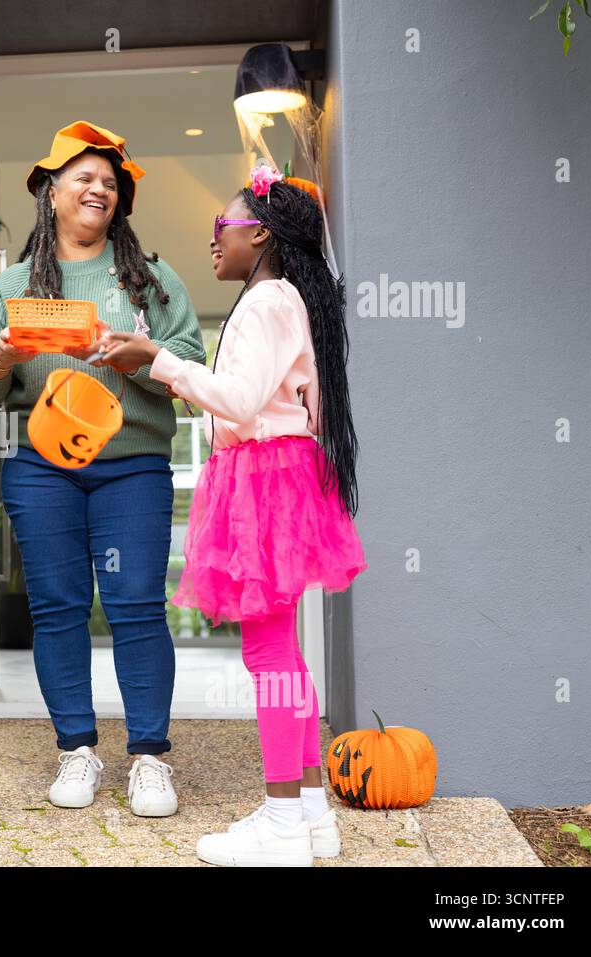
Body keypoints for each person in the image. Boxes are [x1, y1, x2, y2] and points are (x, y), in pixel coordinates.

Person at [97, 165, 367, 865]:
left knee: (270, 654)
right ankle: (309, 813)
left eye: (222, 228)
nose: (212, 241)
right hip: (280, 477)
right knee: (285, 655)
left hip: (266, 484)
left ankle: (282, 820)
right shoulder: (281, 299)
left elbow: (240, 400)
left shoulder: (266, 302)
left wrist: (157, 359)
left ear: (262, 233)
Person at [0, 122, 205, 817]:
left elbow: (190, 360)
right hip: (43, 470)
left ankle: (150, 757)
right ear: (51, 193)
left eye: (109, 181)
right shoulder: (11, 285)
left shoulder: (151, 279)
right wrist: (1, 358)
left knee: (134, 606)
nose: (99, 188)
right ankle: (76, 749)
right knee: (58, 608)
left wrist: (141, 354)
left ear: (119, 201)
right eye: (84, 178)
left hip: (132, 468)